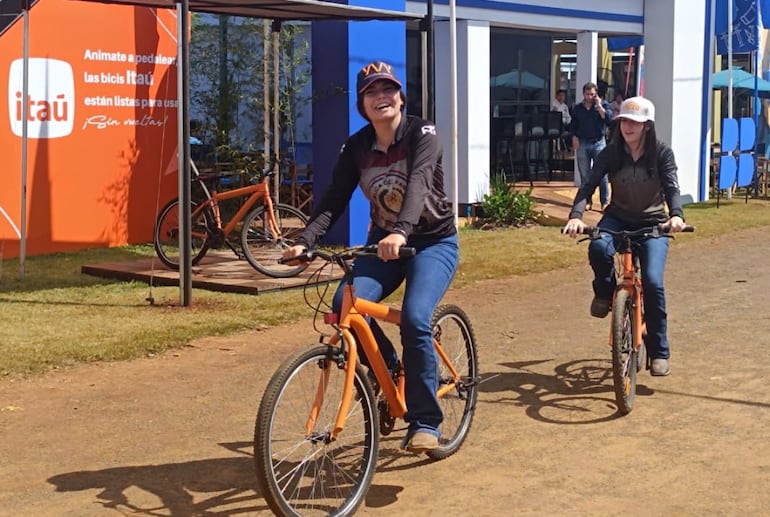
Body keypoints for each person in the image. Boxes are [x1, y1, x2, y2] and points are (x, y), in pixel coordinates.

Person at [282, 60, 459, 452]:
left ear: (400, 96)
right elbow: (334, 198)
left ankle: (426, 421)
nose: (382, 97)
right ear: (362, 103)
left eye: (388, 89)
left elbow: (418, 183)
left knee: (414, 317)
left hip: (432, 241)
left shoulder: (423, 133)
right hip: (384, 243)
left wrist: (401, 230)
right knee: (344, 303)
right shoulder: (357, 146)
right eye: (372, 92)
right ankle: (390, 367)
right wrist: (307, 239)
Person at [562, 96, 687, 377]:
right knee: (598, 247)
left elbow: (672, 188)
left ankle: (659, 351)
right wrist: (576, 216)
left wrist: (676, 215)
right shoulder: (611, 153)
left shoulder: (662, 153)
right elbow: (588, 186)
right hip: (617, 218)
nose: (627, 126)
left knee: (653, 282)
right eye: (623, 121)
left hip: (654, 223)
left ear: (647, 126)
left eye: (635, 122)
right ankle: (605, 292)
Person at [570, 82, 613, 211]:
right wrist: (574, 137)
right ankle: (587, 201)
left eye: (592, 94)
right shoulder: (578, 108)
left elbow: (609, 120)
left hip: (598, 142)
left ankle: (604, 201)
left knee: (602, 174)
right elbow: (573, 125)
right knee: (585, 175)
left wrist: (599, 106)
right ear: (583, 94)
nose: (590, 97)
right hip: (583, 142)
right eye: (588, 94)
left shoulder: (603, 105)